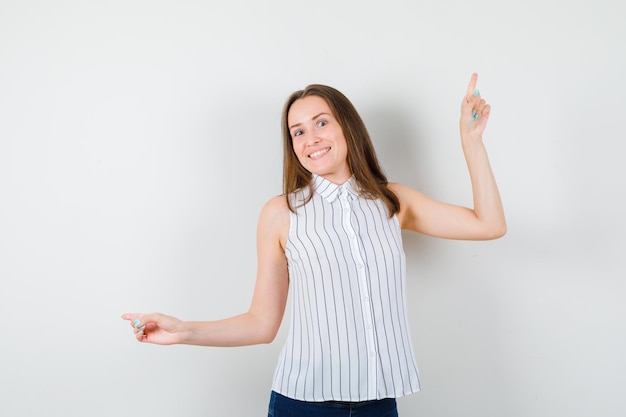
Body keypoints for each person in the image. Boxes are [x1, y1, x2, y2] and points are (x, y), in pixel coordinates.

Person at [122, 73, 506, 417]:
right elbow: (261, 323)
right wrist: (184, 330)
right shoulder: (280, 213)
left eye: (321, 122)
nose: (311, 139)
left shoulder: (393, 202)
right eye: (298, 131)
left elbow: (488, 225)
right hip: (303, 406)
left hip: (381, 405)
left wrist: (472, 143)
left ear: (347, 128)